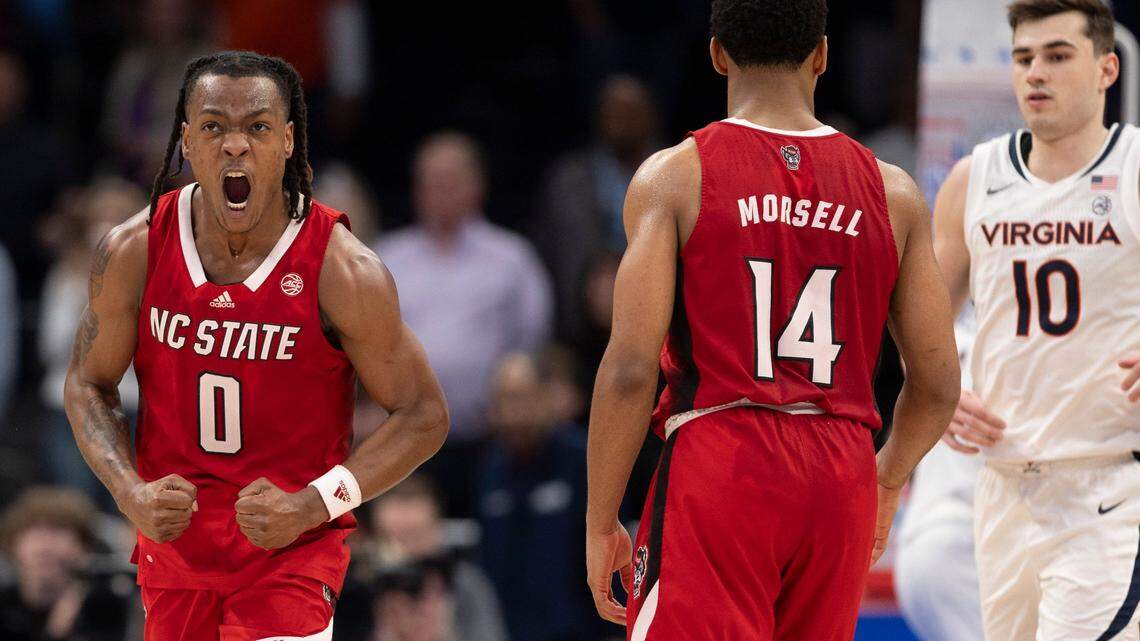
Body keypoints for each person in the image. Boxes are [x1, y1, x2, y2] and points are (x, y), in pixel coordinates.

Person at [583, 1, 961, 639]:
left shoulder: (674, 177)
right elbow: (938, 382)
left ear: (717, 54)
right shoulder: (893, 194)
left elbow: (627, 370)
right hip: (840, 473)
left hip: (725, 457)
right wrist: (887, 477)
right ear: (821, 55)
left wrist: (599, 523)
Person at [64, 51, 449, 641]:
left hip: (290, 554)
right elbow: (87, 382)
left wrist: (317, 503)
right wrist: (128, 491)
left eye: (258, 127)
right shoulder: (134, 249)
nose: (236, 145)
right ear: (187, 141)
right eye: (215, 126)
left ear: (289, 141)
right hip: (174, 555)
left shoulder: (343, 269)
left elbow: (424, 415)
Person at [931, 1, 1140, 638]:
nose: (1035, 74)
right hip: (1001, 485)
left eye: (1056, 55)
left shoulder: (1135, 167)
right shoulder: (974, 179)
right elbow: (920, 324)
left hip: (1107, 483)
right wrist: (938, 394)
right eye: (1023, 58)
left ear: (1107, 69)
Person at [376, 131, 553, 517]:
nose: (439, 191)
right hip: (404, 434)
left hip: (492, 438)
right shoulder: (386, 257)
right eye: (430, 181)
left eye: (450, 180)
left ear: (478, 185)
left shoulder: (512, 258)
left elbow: (532, 344)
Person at [477, 352, 598, 641]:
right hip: (507, 629)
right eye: (503, 400)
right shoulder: (489, 470)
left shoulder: (584, 459)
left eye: (521, 397)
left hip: (578, 629)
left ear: (547, 398)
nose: (513, 412)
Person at [365, 475, 507, 641]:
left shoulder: (463, 583)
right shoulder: (359, 585)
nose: (405, 553)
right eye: (393, 539)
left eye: (415, 536)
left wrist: (445, 633)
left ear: (436, 530)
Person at [0, 487, 134, 641]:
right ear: (12, 545)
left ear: (83, 547)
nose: (44, 548)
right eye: (34, 535)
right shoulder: (5, 604)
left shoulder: (105, 602)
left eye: (56, 534)